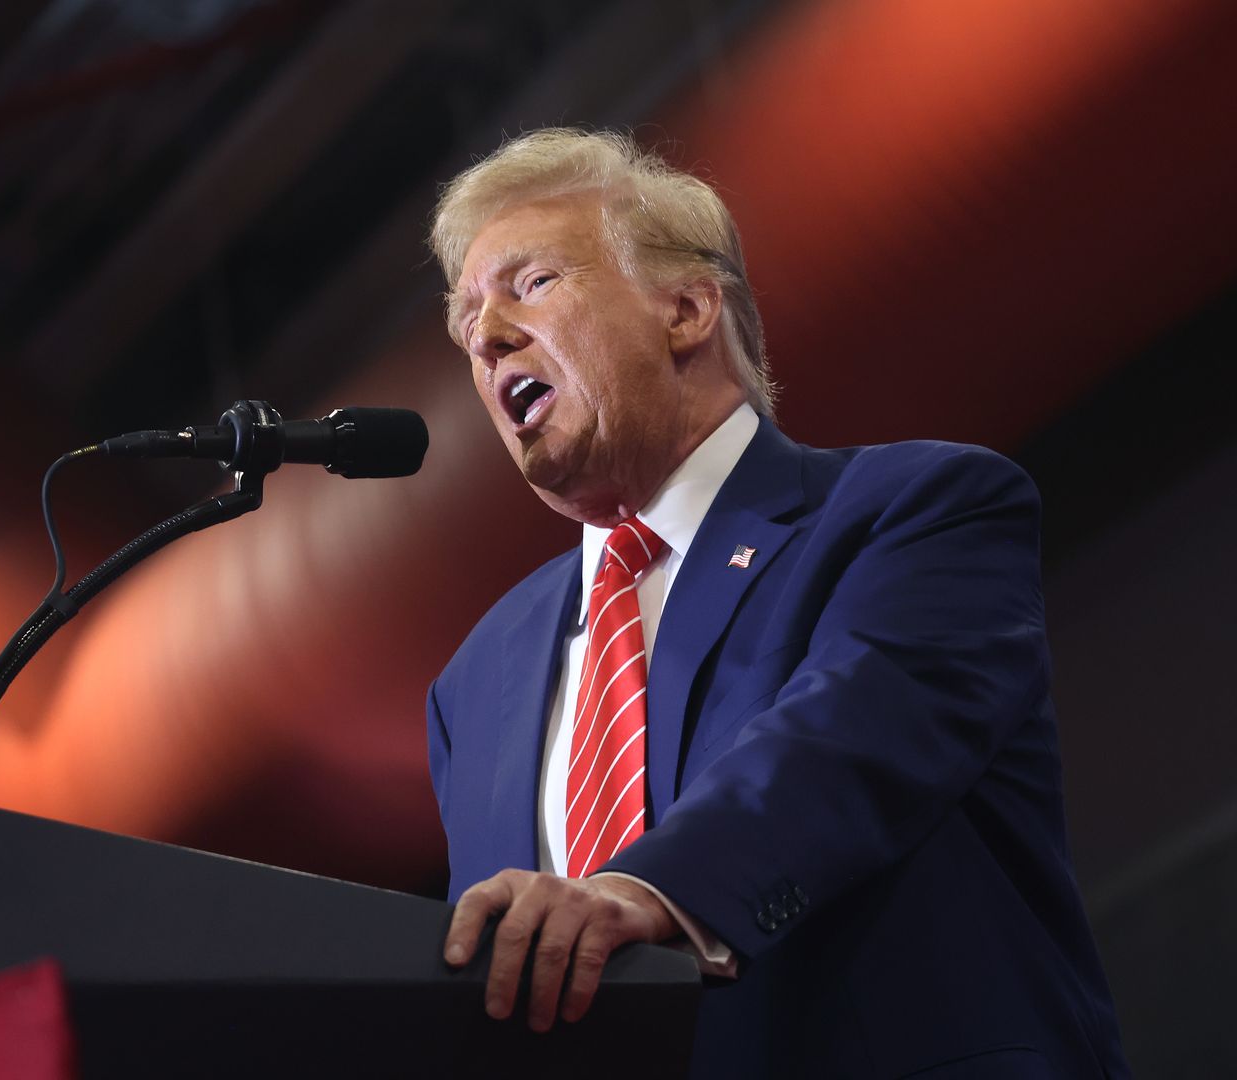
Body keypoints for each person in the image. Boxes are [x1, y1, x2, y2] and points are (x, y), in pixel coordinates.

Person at [425, 127, 1128, 1078]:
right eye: (468, 319)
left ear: (684, 308)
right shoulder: (475, 684)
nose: (487, 333)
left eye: (532, 284)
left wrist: (649, 889)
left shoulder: (915, 513)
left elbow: (844, 741)